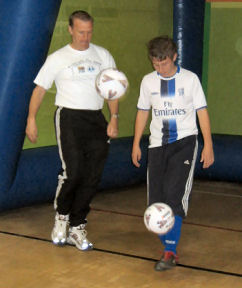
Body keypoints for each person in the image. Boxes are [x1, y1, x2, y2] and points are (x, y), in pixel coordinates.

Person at [25, 10, 119, 251]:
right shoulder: (58, 58)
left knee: (93, 175)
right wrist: (31, 119)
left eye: (89, 32)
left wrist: (114, 118)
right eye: (80, 32)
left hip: (96, 119)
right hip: (69, 117)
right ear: (70, 30)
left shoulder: (103, 55)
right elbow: (39, 90)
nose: (85, 37)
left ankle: (77, 226)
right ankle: (62, 217)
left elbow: (112, 89)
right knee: (73, 171)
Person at [132, 36, 214, 271]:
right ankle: (168, 241)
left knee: (173, 196)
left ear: (174, 57)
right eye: (155, 64)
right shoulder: (148, 82)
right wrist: (136, 143)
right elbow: (142, 112)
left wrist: (208, 144)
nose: (160, 69)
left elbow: (202, 112)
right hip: (157, 145)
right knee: (155, 204)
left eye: (164, 63)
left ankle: (169, 252)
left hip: (184, 143)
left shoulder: (190, 80)